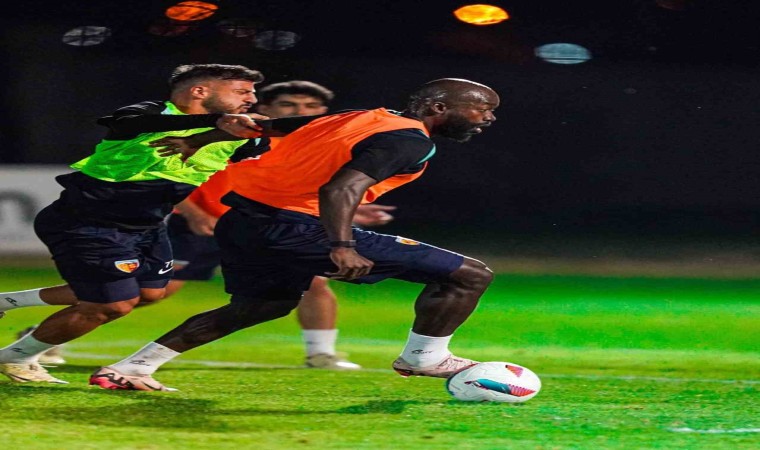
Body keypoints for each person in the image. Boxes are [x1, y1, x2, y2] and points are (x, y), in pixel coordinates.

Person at [88, 77, 499, 391]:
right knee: (469, 274)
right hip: (293, 226)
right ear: (439, 107)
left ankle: (132, 368)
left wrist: (202, 140)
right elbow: (341, 189)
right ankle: (424, 357)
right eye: (483, 109)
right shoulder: (409, 141)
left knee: (261, 306)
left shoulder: (361, 117)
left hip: (244, 221)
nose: (489, 118)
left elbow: (271, 125)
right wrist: (343, 245)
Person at [0, 63, 270, 384]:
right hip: (88, 223)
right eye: (241, 91)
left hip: (147, 227)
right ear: (199, 91)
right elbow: (130, 123)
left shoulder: (239, 135)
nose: (251, 99)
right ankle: (15, 357)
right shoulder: (148, 113)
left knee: (149, 292)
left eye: (252, 93)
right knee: (112, 305)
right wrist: (216, 122)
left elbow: (272, 147)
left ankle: (7, 302)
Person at [165, 80, 397, 370]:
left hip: (271, 227)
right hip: (206, 225)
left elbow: (308, 192)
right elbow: (172, 175)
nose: (301, 111)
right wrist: (193, 213)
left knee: (315, 282)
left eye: (311, 107)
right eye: (289, 105)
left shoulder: (322, 146)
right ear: (265, 108)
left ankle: (321, 354)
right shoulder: (237, 136)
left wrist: (354, 211)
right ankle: (110, 310)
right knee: (154, 293)